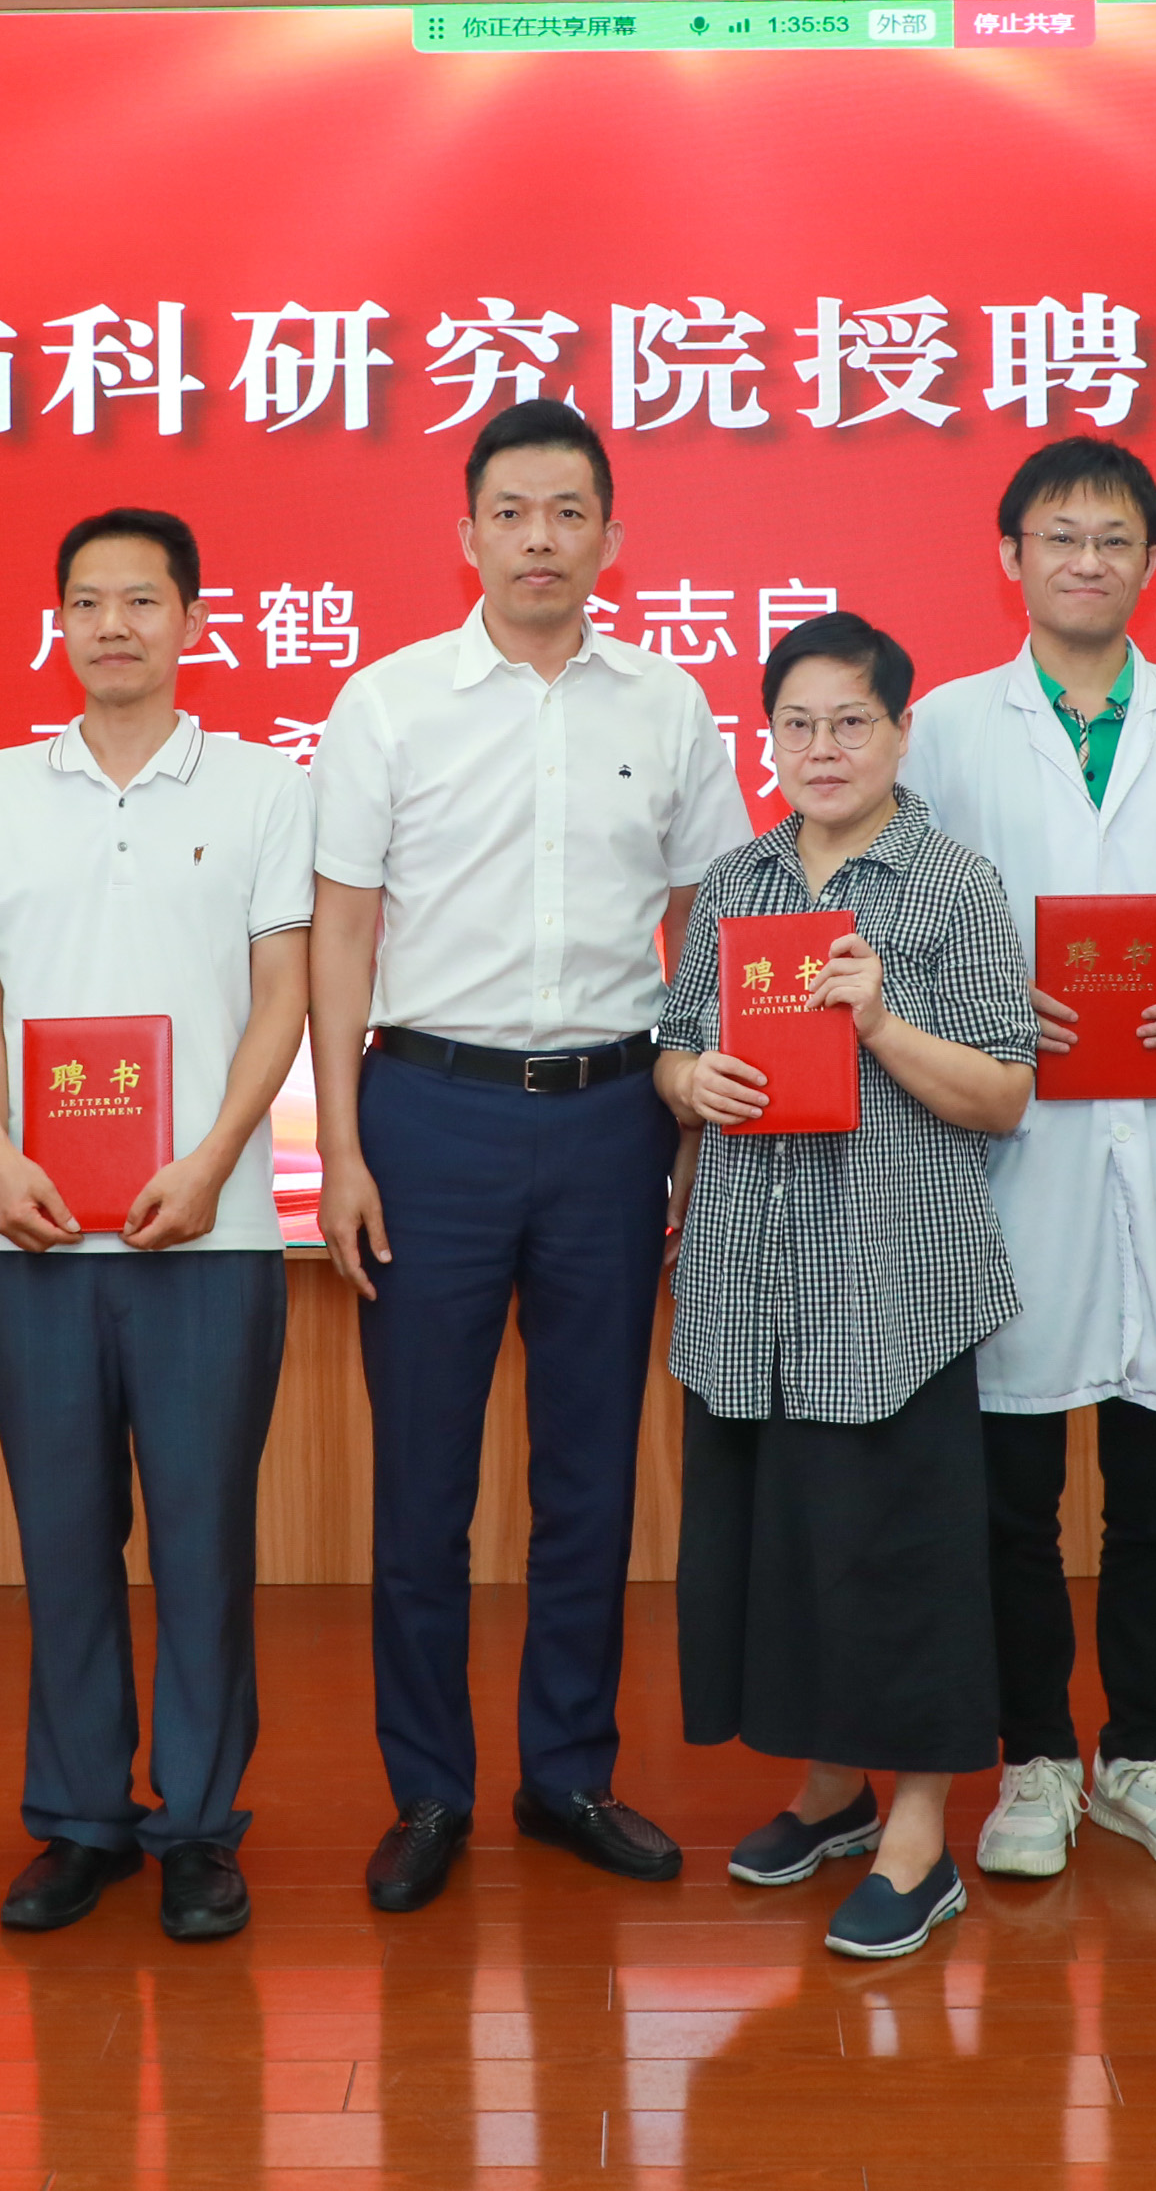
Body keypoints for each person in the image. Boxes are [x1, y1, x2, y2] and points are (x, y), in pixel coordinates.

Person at [312, 398, 754, 1912]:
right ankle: (429, 1790)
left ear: (612, 536)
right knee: (422, 1483)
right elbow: (344, 935)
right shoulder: (388, 703)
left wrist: (686, 1109)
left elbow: (708, 918)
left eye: (569, 512)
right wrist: (342, 1143)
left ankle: (569, 1770)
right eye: (512, 512)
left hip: (613, 1114)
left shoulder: (667, 704)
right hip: (428, 1114)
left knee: (589, 1473)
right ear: (468, 534)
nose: (541, 539)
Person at [0, 508, 317, 1945]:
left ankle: (201, 1824)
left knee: (204, 1540)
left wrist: (214, 1161)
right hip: (34, 1232)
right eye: (87, 601)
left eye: (142, 601)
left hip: (210, 1234)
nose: (113, 625)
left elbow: (283, 992)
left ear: (193, 620)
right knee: (63, 1538)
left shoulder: (267, 786)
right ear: (60, 622)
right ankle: (83, 1816)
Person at [900, 436, 1156, 1881]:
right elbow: (902, 903)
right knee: (1013, 1478)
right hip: (1017, 1131)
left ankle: (1147, 1754)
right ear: (1011, 557)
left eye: (1116, 539)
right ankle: (1038, 1756)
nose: (1089, 561)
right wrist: (994, 989)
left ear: (1153, 562)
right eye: (1061, 536)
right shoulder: (946, 726)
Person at [659, 612, 1035, 1958]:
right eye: (798, 724)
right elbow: (675, 1047)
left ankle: (920, 1839)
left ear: (901, 731)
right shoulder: (739, 879)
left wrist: (879, 1023)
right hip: (750, 1285)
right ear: (767, 739)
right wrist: (689, 1081)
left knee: (901, 1563)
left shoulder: (954, 884)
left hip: (894, 1287)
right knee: (788, 1551)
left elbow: (1003, 1093)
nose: (823, 748)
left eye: (852, 722)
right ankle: (831, 1790)